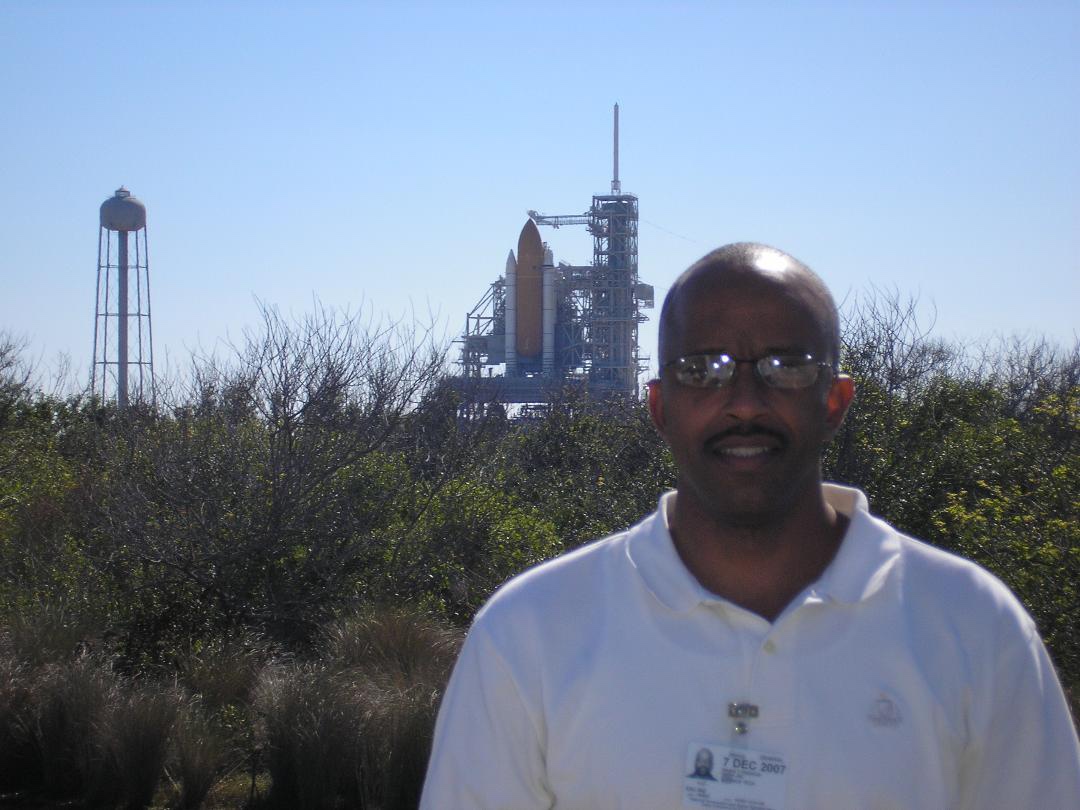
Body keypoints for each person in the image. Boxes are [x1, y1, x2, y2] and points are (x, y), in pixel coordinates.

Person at [420, 243, 1080, 808]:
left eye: (784, 367)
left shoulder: (974, 629)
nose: (743, 403)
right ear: (659, 405)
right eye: (701, 370)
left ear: (836, 401)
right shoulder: (528, 635)